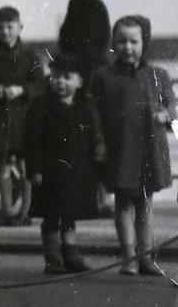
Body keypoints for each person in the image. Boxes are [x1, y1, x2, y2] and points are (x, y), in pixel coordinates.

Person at [88, 15, 176, 276]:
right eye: (122, 41)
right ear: (113, 43)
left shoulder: (158, 74)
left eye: (133, 41)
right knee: (123, 202)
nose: (128, 46)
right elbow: (93, 113)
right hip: (119, 148)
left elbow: (174, 105)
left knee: (146, 202)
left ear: (143, 42)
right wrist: (99, 143)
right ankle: (128, 256)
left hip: (149, 148)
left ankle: (146, 257)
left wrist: (167, 115)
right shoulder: (102, 75)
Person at [25, 55, 101, 274]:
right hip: (49, 172)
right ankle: (52, 256)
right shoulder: (40, 106)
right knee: (51, 214)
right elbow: (32, 142)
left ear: (79, 81)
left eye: (67, 77)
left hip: (75, 172)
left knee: (69, 212)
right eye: (56, 76)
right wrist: (35, 169)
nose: (60, 81)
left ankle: (70, 253)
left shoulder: (85, 108)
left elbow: (93, 139)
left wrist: (95, 165)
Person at [0, 6, 44, 226]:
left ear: (20, 26)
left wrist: (21, 90)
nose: (6, 31)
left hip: (25, 118)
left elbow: (41, 85)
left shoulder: (31, 55)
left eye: (10, 26)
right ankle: (6, 212)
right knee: (2, 165)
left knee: (25, 165)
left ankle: (25, 212)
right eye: (1, 26)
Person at [58, 0, 110, 80]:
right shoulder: (76, 4)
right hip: (78, 72)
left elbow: (88, 47)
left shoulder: (93, 5)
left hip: (89, 74)